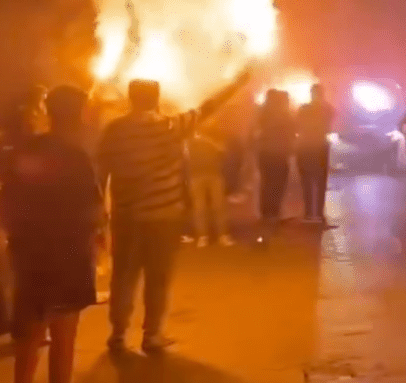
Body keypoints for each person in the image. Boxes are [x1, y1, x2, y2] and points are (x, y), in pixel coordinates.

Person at [98, 69, 251, 353]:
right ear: (156, 100)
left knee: (123, 277)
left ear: (131, 99)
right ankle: (152, 335)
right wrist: (237, 83)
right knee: (158, 278)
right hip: (163, 218)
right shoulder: (171, 126)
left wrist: (100, 209)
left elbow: (101, 169)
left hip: (126, 217)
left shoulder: (114, 130)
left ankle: (118, 335)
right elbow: (208, 107)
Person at [1, 85, 103, 383]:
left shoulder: (27, 150)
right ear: (79, 113)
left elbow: (8, 200)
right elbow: (92, 209)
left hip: (29, 253)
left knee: (29, 331)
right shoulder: (76, 156)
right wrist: (97, 241)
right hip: (67, 253)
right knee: (63, 332)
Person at [254, 89, 295, 235]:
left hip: (264, 154)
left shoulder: (261, 113)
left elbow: (254, 132)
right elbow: (291, 132)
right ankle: (274, 215)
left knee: (266, 184)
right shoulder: (283, 114)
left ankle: (267, 215)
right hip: (279, 155)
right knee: (278, 186)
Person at [187, 130, 234, 248]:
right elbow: (223, 153)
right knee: (205, 207)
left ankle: (213, 236)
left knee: (212, 206)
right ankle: (212, 236)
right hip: (204, 174)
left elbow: (224, 153)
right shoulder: (194, 139)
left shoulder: (211, 137)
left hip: (207, 174)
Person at [296, 84, 335, 223]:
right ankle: (318, 213)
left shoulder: (303, 109)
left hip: (305, 146)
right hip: (320, 146)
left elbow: (297, 125)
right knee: (320, 181)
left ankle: (308, 213)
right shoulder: (327, 108)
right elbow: (330, 124)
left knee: (307, 181)